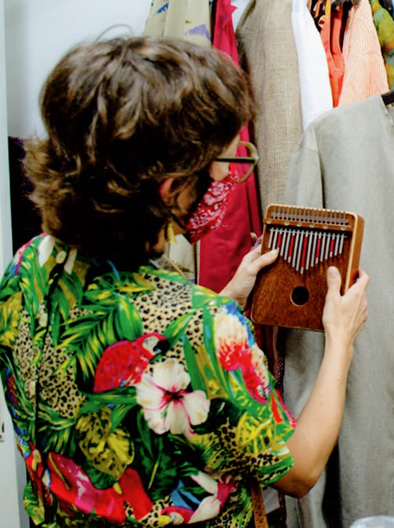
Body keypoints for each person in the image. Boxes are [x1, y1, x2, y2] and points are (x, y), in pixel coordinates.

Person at [0, 36, 369, 527]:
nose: (225, 178)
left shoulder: (28, 266)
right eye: (220, 164)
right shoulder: (203, 326)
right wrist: (341, 339)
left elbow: (130, 360)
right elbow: (299, 468)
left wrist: (224, 298)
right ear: (171, 188)